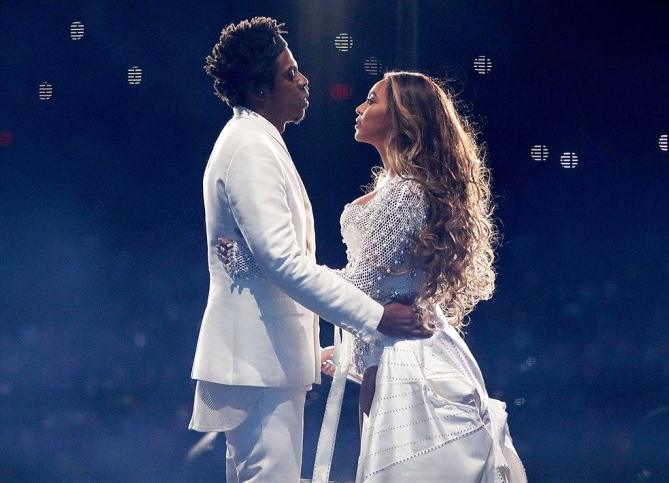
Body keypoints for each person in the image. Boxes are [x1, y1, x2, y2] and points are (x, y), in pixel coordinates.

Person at [220, 71, 526, 482]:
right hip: (399, 356)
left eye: (372, 100)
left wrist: (259, 261)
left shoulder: (406, 194)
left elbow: (360, 286)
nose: (360, 108)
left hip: (411, 368)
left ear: (403, 117)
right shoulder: (399, 188)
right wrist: (337, 353)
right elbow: (378, 295)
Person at [189, 17, 430, 483]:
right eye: (289, 73)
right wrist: (374, 316)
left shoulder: (257, 141)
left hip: (264, 358)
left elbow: (266, 262)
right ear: (260, 91)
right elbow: (282, 260)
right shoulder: (250, 146)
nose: (303, 80)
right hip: (256, 362)